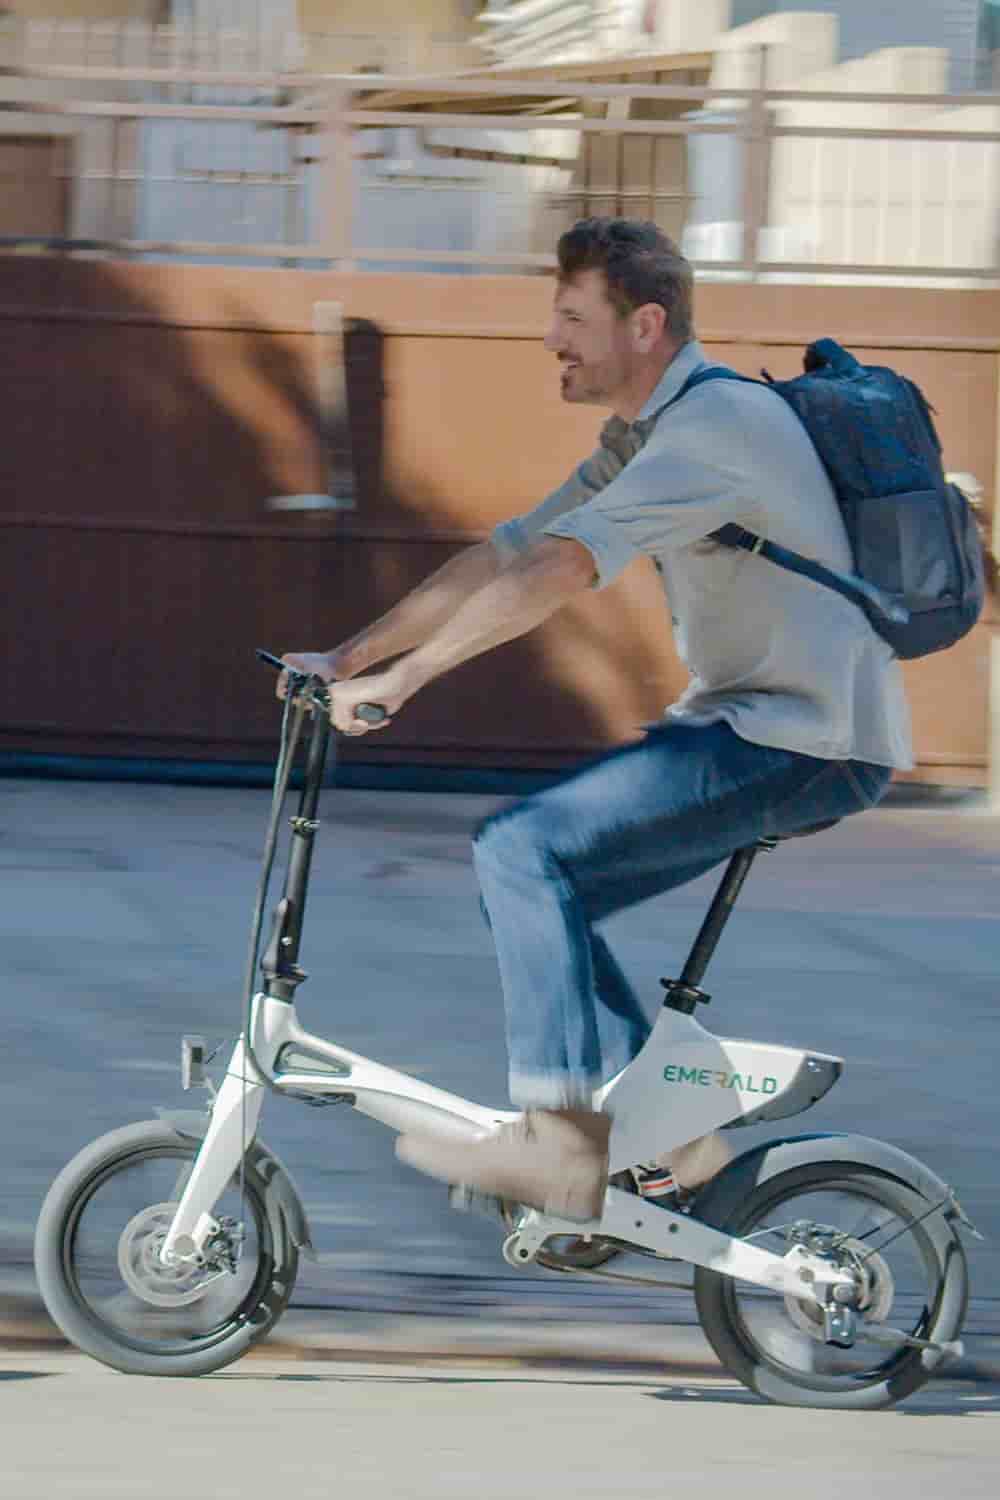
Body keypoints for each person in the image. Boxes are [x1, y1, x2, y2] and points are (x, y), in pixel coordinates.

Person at [280, 217, 910, 1223]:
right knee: (536, 885)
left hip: (804, 738)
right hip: (768, 728)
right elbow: (506, 553)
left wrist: (411, 682)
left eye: (573, 317)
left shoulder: (715, 429)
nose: (551, 340)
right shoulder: (650, 435)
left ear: (645, 324)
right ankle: (676, 1143)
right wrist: (351, 659)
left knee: (523, 854)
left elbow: (560, 571)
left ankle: (562, 1144)